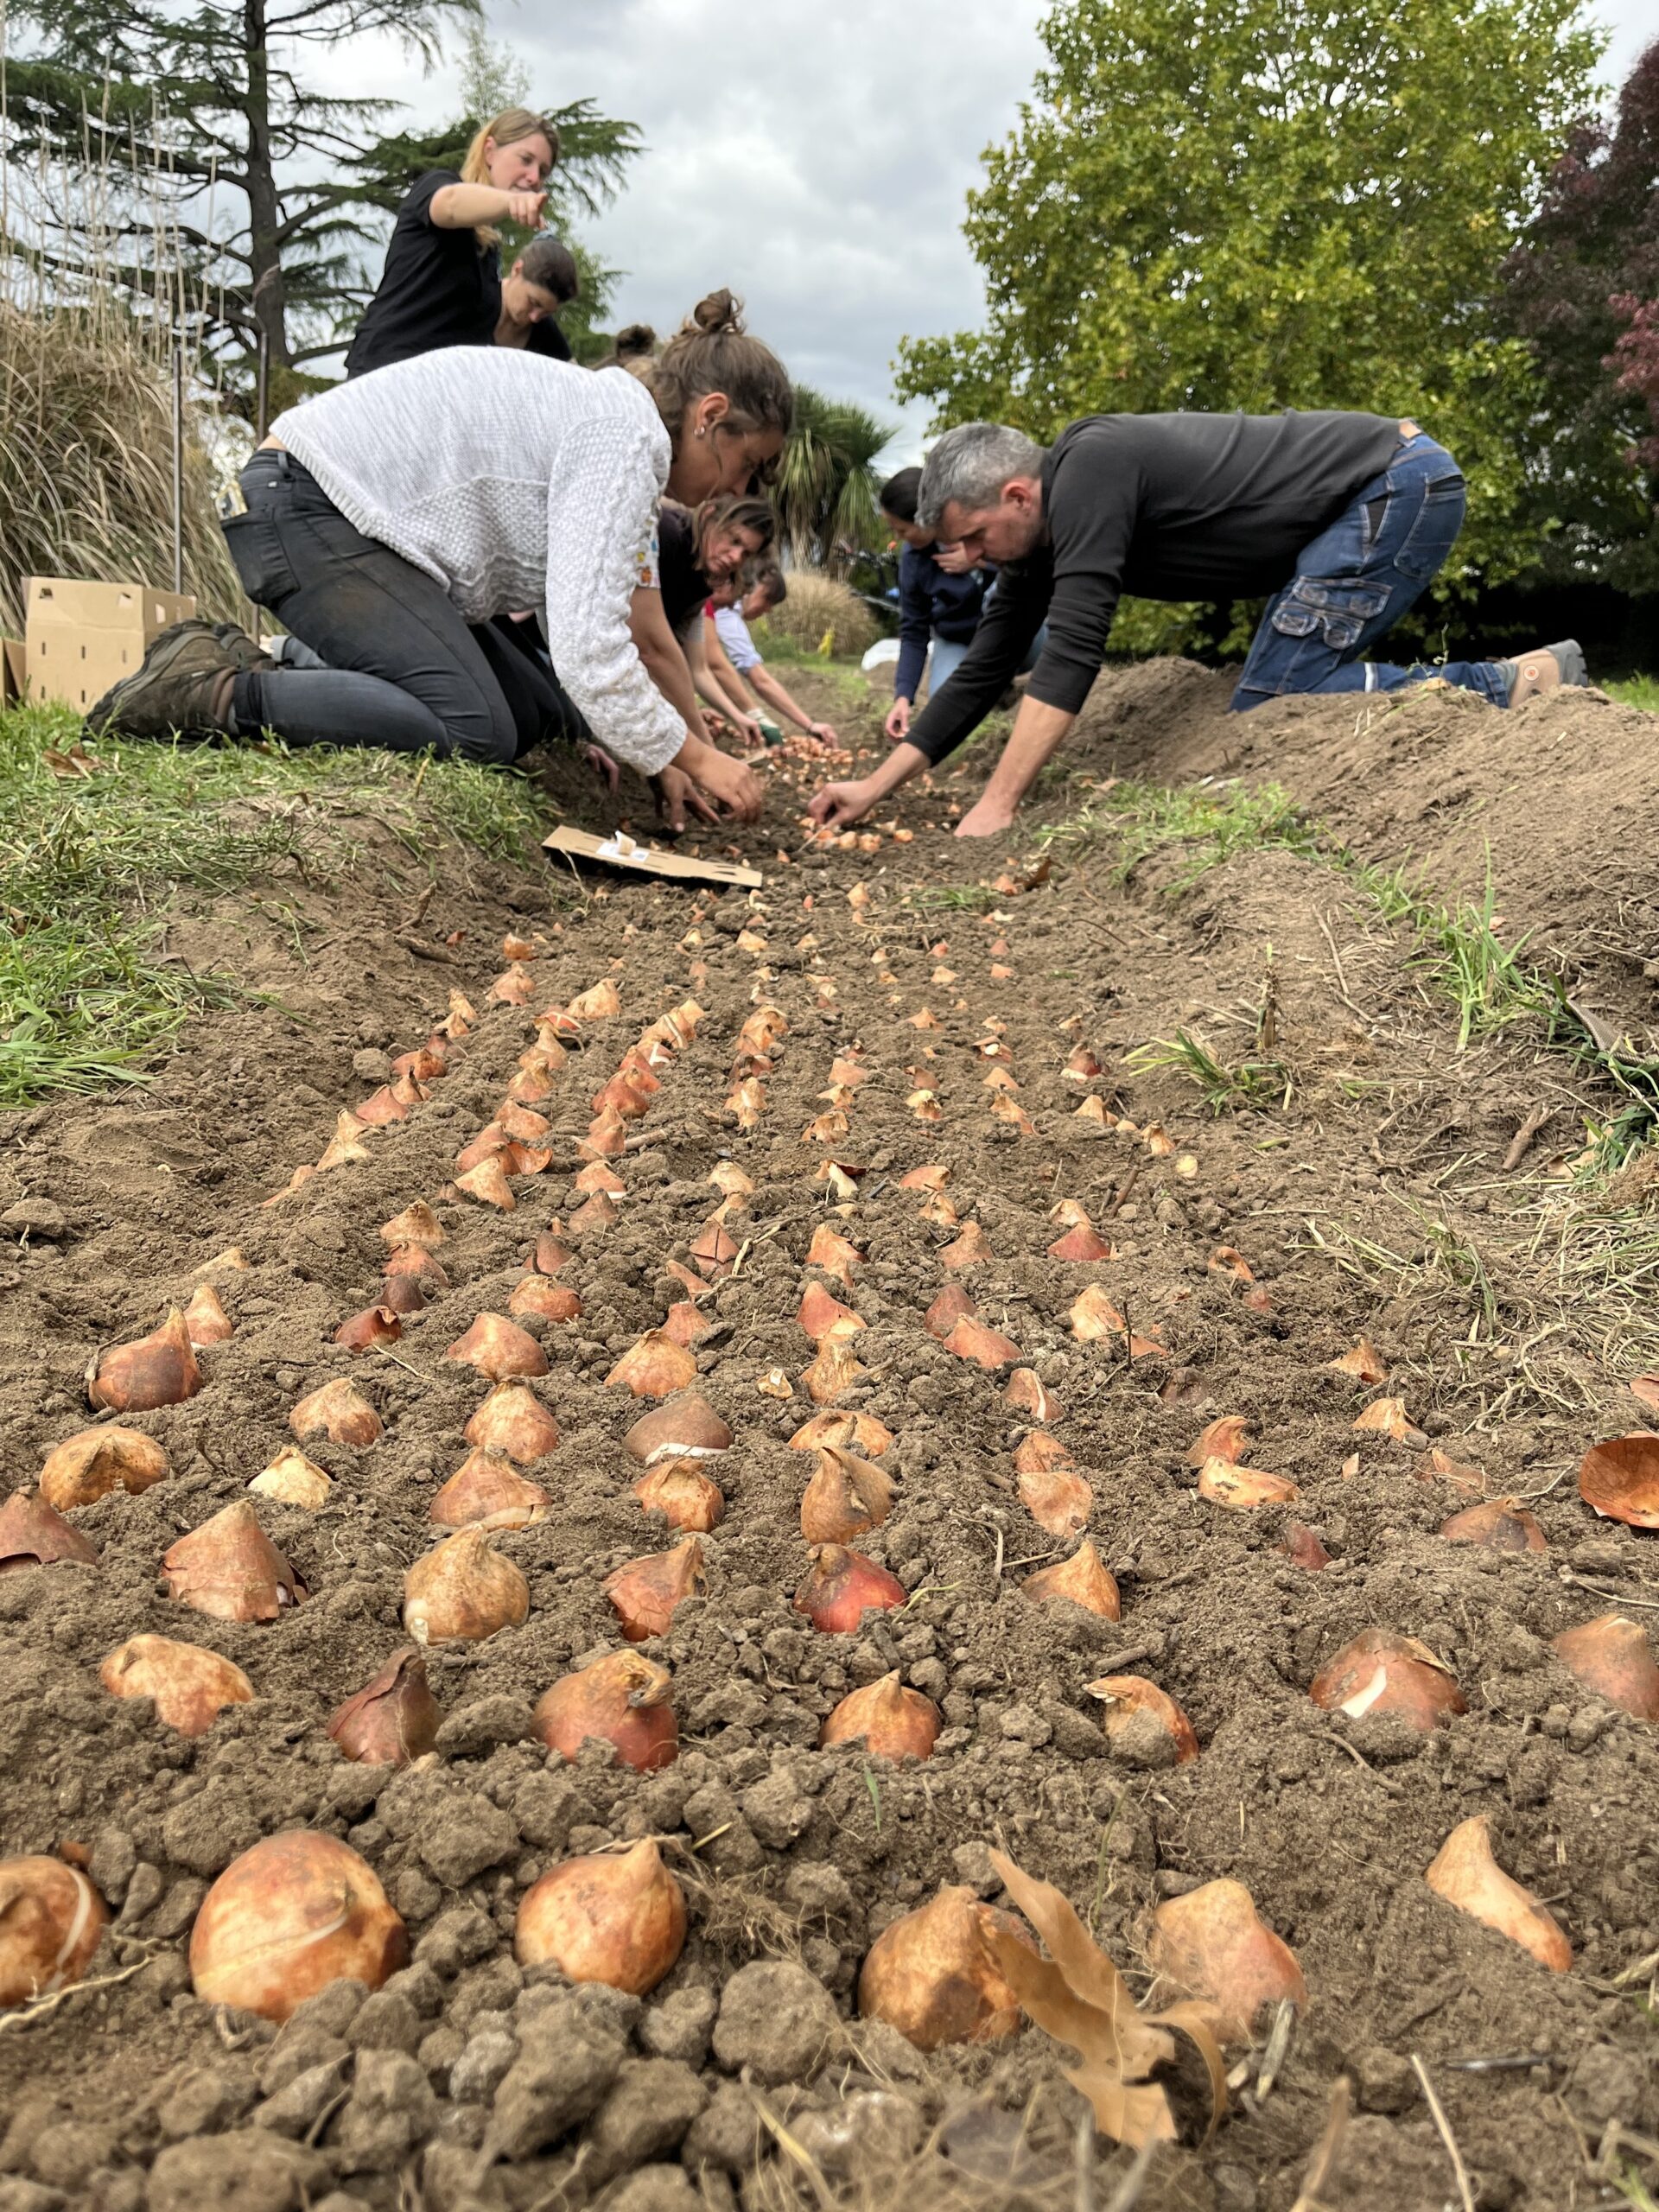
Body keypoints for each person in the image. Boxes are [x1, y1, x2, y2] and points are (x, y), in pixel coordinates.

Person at [86, 291, 790, 828]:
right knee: (476, 727)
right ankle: (211, 690)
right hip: (307, 507)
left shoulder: (622, 434)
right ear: (710, 414)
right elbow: (591, 652)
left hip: (360, 536)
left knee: (540, 710)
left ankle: (283, 659)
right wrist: (691, 754)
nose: (739, 490)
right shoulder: (625, 437)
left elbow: (602, 624)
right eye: (750, 464)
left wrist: (658, 749)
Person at [810, 413, 1589, 838]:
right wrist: (873, 788)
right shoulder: (1038, 545)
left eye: (975, 536)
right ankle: (1511, 680)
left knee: (1274, 693)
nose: (973, 558)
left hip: (1395, 485)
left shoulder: (1089, 469)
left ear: (1017, 495)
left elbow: (1076, 650)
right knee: (1274, 688)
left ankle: (1506, 683)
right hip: (1378, 493)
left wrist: (1000, 803)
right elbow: (986, 668)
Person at [344, 108, 575, 378]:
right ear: (490, 151)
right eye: (526, 159)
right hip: (386, 378)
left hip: (440, 394)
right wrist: (512, 203)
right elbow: (450, 205)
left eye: (543, 171)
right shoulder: (438, 186)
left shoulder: (488, 256)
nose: (535, 178)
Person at [877, 465, 992, 745]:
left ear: (927, 517)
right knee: (944, 709)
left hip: (1014, 633)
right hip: (958, 640)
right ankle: (993, 690)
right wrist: (904, 697)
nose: (899, 538)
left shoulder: (984, 528)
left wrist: (981, 560)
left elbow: (1029, 570)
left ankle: (997, 679)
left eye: (903, 530)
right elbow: (914, 630)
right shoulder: (914, 562)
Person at [706, 568, 839, 746]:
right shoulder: (723, 611)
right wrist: (756, 715)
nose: (768, 609)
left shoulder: (727, 612)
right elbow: (738, 672)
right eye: (767, 599)